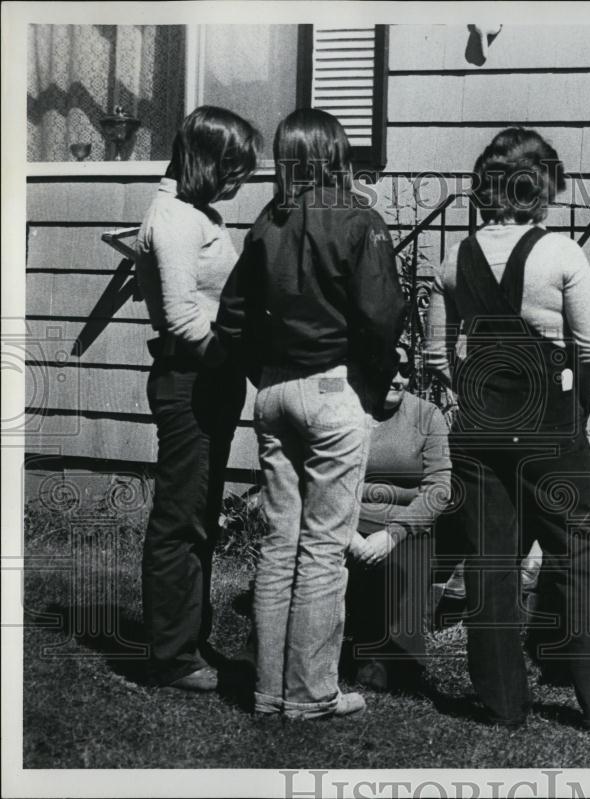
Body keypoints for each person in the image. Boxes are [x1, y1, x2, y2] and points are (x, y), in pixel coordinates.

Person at [424, 127, 590, 733]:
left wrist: (473, 397)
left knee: (490, 564)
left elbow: (440, 359)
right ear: (539, 187)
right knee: (585, 552)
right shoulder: (562, 254)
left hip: (478, 431)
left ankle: (502, 704)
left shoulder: (452, 261)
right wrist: (579, 412)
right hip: (552, 432)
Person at [216, 109, 406, 720]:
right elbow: (382, 317)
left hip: (272, 394)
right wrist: (371, 389)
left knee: (280, 543)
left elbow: (233, 321)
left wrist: (266, 380)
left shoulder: (264, 225)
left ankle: (269, 691)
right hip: (331, 391)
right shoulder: (360, 220)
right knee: (324, 548)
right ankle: (312, 693)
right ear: (337, 157)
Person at [134, 106, 259, 692]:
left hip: (208, 378)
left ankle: (188, 636)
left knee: (200, 512)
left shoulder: (192, 211)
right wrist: (232, 365)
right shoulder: (176, 218)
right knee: (181, 517)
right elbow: (184, 317)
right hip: (192, 377)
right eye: (234, 170)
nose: (240, 183)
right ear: (207, 163)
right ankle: (173, 655)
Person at [343, 346, 451, 691]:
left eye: (405, 371)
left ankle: (394, 656)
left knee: (411, 549)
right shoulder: (344, 410)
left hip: (403, 522)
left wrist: (395, 532)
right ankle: (275, 647)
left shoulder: (426, 415)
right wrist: (346, 531)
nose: (398, 378)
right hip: (345, 518)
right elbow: (319, 478)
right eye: (390, 368)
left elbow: (438, 489)